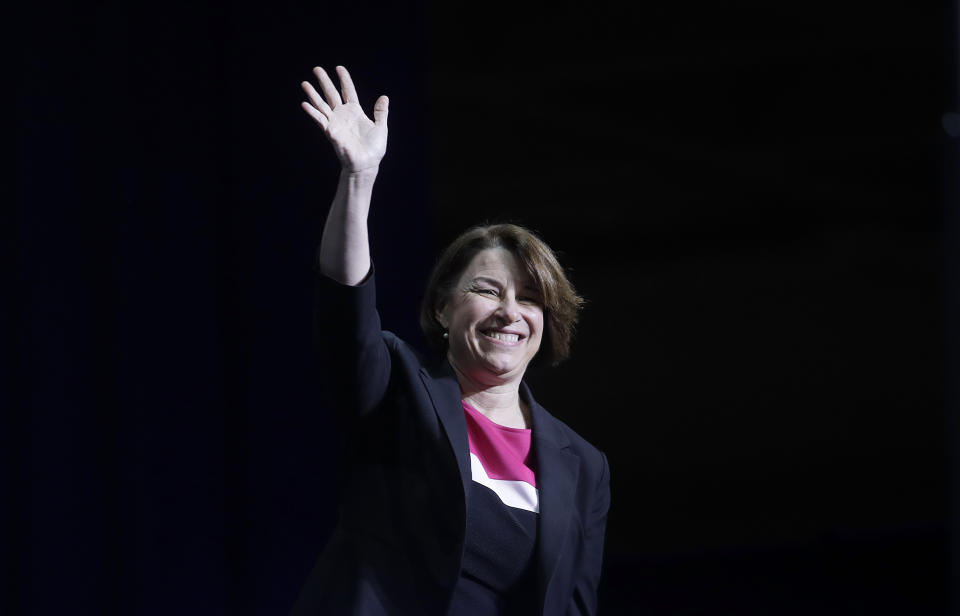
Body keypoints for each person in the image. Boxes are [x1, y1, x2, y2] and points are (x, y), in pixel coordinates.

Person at [292, 65, 611, 616]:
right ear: (443, 305)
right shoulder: (397, 390)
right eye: (487, 290)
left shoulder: (583, 465)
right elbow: (346, 310)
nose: (510, 311)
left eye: (530, 298)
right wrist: (359, 180)